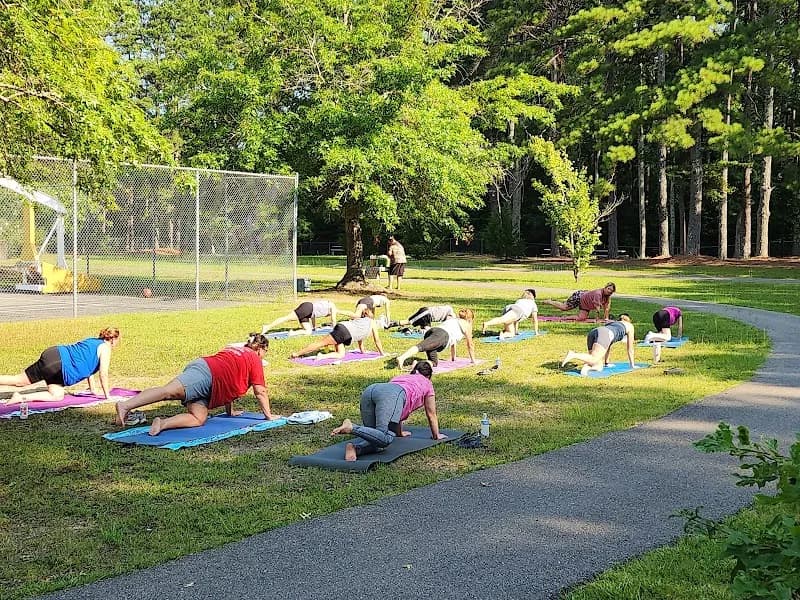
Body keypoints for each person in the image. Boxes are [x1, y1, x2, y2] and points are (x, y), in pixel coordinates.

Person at [115, 333, 278, 436]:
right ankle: (125, 406)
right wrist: (268, 417)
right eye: (265, 352)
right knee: (168, 392)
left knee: (198, 418)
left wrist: (230, 411)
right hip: (206, 373)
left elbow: (230, 381)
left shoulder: (237, 351)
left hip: (210, 379)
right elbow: (260, 391)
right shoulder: (254, 358)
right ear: (261, 349)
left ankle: (162, 423)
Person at [330, 360, 445, 461]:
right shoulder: (427, 384)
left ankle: (355, 448)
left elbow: (395, 407)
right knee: (385, 438)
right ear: (429, 376)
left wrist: (400, 433)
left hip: (371, 390)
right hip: (391, 395)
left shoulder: (401, 377)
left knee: (375, 438)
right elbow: (431, 413)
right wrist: (436, 435)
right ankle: (351, 427)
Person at [0, 327, 120, 404]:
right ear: (113, 339)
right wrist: (107, 396)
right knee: (21, 381)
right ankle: (19, 397)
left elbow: (88, 369)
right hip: (58, 364)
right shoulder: (105, 348)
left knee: (56, 395)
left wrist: (93, 390)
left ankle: (20, 397)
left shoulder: (92, 341)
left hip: (54, 357)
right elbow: (103, 374)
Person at [391, 308, 476, 368]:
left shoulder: (454, 320)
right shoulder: (467, 325)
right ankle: (402, 358)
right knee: (421, 346)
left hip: (433, 331)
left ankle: (416, 364)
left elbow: (453, 343)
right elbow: (470, 345)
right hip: (441, 336)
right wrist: (473, 361)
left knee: (433, 362)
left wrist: (453, 358)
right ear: (469, 319)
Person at [290, 309, 386, 359]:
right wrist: (382, 353)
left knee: (341, 354)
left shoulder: (361, 321)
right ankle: (297, 354)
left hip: (343, 330)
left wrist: (362, 351)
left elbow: (360, 339)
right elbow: (377, 340)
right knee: (321, 343)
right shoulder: (372, 323)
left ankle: (322, 356)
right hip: (345, 332)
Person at [560, 314, 636, 377]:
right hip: (604, 333)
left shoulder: (613, 323)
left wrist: (606, 363)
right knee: (593, 359)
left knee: (597, 365)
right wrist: (632, 365)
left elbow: (608, 344)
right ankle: (573, 354)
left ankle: (586, 368)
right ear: (629, 321)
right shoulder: (630, 326)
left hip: (594, 332)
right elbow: (630, 348)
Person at [543, 282, 616, 321]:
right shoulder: (598, 294)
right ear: (605, 288)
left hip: (585, 304)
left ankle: (565, 318)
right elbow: (597, 308)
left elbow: (606, 308)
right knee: (564, 307)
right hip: (580, 297)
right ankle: (550, 301)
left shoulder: (608, 297)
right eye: (608, 289)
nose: (609, 291)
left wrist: (606, 318)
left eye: (611, 290)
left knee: (582, 318)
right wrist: (596, 319)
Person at [261, 300, 338, 336]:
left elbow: (313, 316)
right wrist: (335, 331)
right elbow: (333, 320)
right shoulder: (333, 307)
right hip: (307, 308)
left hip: (309, 312)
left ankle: (293, 333)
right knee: (287, 318)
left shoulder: (327, 305)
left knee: (308, 331)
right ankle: (267, 327)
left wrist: (314, 327)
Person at [389, 305, 456, 331]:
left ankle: (398, 327)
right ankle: (390, 324)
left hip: (428, 316)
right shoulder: (452, 316)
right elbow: (447, 324)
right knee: (410, 321)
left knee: (426, 331)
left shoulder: (450, 310)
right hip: (426, 313)